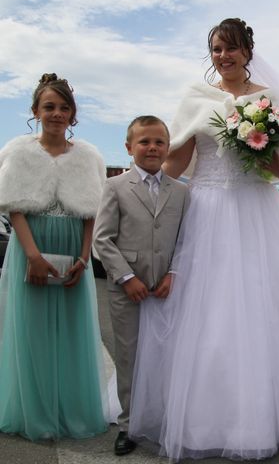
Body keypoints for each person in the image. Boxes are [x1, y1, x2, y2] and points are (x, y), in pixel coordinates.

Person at [128, 18, 279, 461]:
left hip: (257, 213)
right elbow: (178, 162)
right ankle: (203, 416)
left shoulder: (270, 101)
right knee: (208, 312)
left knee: (260, 311)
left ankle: (261, 417)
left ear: (247, 51)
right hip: (207, 210)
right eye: (217, 49)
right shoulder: (197, 98)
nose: (224, 56)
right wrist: (137, 193)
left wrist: (261, 145)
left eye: (232, 48)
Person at [0, 73, 108, 440]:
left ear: (73, 115)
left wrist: (84, 258)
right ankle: (36, 413)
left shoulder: (90, 156)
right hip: (31, 247)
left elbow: (92, 213)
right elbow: (15, 208)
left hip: (72, 249)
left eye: (64, 108)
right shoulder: (18, 150)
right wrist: (31, 256)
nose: (57, 114)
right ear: (35, 111)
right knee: (32, 334)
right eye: (50, 107)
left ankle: (70, 411)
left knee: (72, 334)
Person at [93, 115, 190, 456]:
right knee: (130, 357)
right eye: (144, 142)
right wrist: (127, 278)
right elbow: (102, 239)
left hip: (165, 288)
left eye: (159, 142)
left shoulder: (181, 191)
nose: (152, 148)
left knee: (164, 355)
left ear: (168, 147)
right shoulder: (115, 187)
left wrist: (173, 274)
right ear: (129, 147)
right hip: (126, 289)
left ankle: (163, 419)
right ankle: (129, 424)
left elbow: (184, 240)